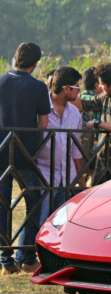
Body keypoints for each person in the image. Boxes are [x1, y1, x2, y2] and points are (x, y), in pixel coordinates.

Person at [0, 42, 50, 274]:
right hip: (25, 152)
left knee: (2, 204)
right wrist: (37, 145)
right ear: (35, 62)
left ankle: (5, 258)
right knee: (34, 198)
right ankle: (26, 254)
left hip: (1, 148)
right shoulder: (38, 87)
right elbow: (43, 122)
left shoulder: (1, 81)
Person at [37, 67, 84, 225]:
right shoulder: (40, 109)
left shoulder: (75, 113)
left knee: (62, 225)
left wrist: (81, 180)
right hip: (43, 176)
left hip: (67, 178)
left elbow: (76, 149)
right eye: (76, 88)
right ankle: (26, 250)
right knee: (37, 221)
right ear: (66, 89)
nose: (79, 92)